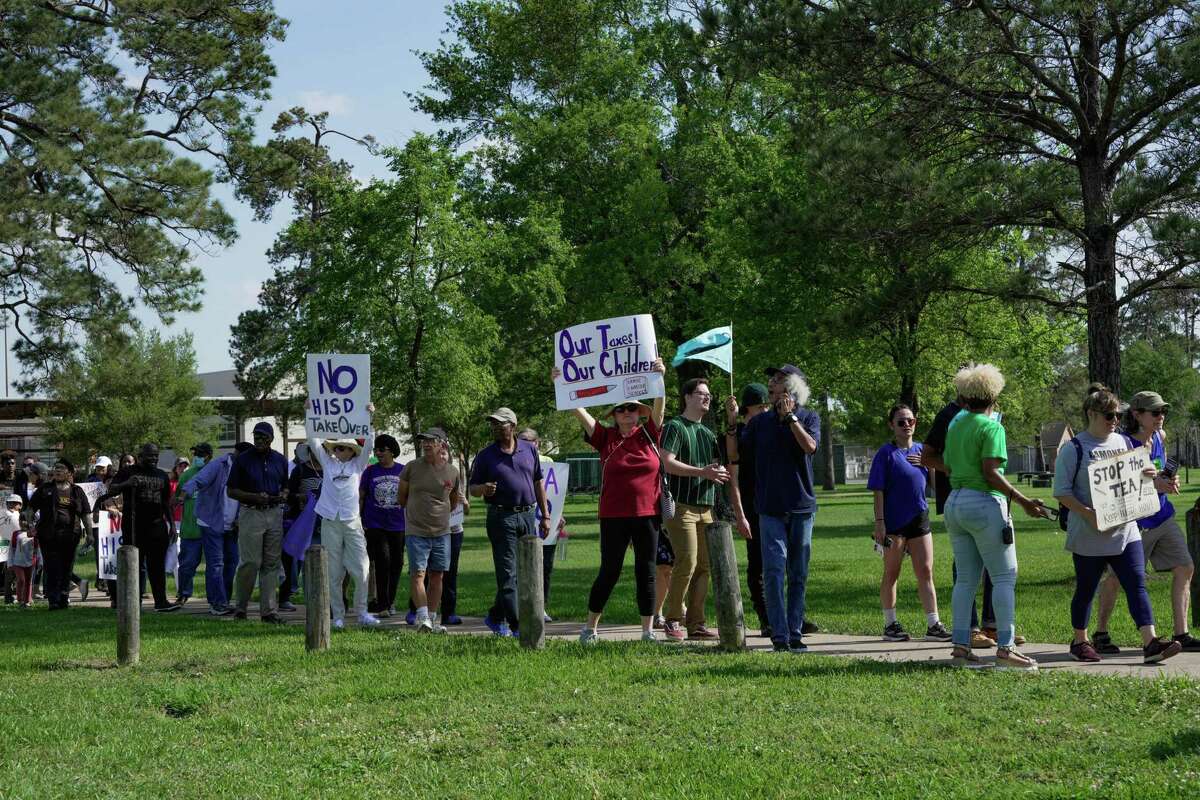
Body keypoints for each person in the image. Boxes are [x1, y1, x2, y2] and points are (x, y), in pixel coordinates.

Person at [1054, 386, 1183, 664]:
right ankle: (1080, 641)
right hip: (1090, 533)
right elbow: (1061, 492)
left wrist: (1149, 473)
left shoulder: (1123, 442)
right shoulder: (1074, 448)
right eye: (1109, 415)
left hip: (1125, 529)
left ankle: (1150, 642)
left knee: (1137, 583)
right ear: (1091, 413)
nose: (1115, 421)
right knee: (1086, 589)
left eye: (1117, 416)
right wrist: (1088, 513)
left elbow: (1136, 476)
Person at [943, 363, 1045, 670]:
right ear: (994, 394)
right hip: (985, 505)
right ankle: (1006, 648)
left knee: (965, 579)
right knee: (1003, 576)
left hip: (955, 503)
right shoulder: (992, 427)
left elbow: (948, 463)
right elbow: (991, 472)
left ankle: (960, 649)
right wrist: (1024, 501)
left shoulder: (957, 423)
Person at [564, 358, 667, 644]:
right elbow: (578, 410)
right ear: (614, 414)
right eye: (621, 409)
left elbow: (660, 406)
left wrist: (660, 378)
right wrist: (561, 383)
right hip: (613, 515)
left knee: (646, 571)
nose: (627, 413)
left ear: (639, 412)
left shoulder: (650, 433)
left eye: (632, 408)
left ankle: (647, 631)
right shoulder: (604, 437)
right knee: (609, 571)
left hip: (647, 513)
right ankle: (589, 628)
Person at [1092, 392, 1200, 653]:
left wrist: (1169, 481)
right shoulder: (1123, 443)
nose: (1160, 416)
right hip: (1135, 524)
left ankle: (1181, 634)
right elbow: (1120, 486)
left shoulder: (1161, 437)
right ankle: (1101, 633)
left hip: (1162, 517)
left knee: (1185, 567)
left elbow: (1159, 472)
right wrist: (1154, 485)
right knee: (1118, 579)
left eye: (1163, 411)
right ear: (1137, 415)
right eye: (1154, 412)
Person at [730, 365, 819, 653]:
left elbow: (810, 447)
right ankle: (779, 636)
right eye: (771, 379)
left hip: (801, 508)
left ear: (793, 387)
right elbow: (735, 455)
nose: (771, 382)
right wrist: (732, 424)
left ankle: (795, 632)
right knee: (773, 571)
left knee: (798, 573)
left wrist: (790, 418)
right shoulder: (759, 423)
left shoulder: (808, 416)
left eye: (779, 379)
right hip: (769, 509)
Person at [921, 393, 1007, 650]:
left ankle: (992, 625)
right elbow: (927, 456)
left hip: (983, 498)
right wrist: (954, 468)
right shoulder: (950, 417)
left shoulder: (988, 417)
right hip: (966, 497)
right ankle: (971, 630)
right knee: (970, 570)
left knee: (994, 566)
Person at [866, 404, 951, 642]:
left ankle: (934, 624)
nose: (906, 426)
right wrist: (880, 523)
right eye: (901, 422)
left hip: (919, 519)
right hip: (893, 522)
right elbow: (878, 491)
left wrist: (928, 465)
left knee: (925, 571)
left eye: (910, 421)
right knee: (892, 572)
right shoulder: (886, 453)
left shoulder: (923, 450)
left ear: (916, 423)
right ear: (891, 425)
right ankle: (890, 624)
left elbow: (935, 486)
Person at [470, 407, 550, 637]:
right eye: (493, 424)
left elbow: (538, 483)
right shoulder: (485, 455)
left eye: (500, 424)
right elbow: (473, 488)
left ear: (513, 426)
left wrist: (544, 516)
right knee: (507, 572)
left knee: (524, 570)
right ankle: (517, 627)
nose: (495, 428)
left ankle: (495, 615)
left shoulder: (528, 450)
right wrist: (483, 489)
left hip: (527, 515)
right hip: (500, 517)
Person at [660, 378, 730, 641]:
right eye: (701, 393)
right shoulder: (675, 427)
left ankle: (696, 623)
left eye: (709, 395)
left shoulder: (709, 434)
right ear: (687, 397)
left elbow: (716, 466)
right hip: (681, 506)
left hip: (706, 508)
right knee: (686, 561)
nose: (707, 398)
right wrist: (703, 472)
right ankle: (672, 619)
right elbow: (667, 462)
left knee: (704, 566)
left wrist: (718, 473)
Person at [308, 407, 379, 629]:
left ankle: (362, 613)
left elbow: (369, 444)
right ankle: (337, 615)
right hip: (330, 521)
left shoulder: (358, 465)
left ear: (351, 451)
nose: (339, 450)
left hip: (352, 521)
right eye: (337, 447)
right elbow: (313, 439)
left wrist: (369, 416)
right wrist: (309, 412)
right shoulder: (327, 462)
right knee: (334, 571)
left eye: (344, 447)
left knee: (362, 568)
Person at [98, 445, 179, 612]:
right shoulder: (128, 471)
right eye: (150, 456)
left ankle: (161, 601)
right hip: (134, 526)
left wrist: (170, 525)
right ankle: (133, 602)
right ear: (140, 456)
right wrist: (127, 483)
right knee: (134, 565)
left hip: (157, 525)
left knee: (157, 566)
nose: (154, 459)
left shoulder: (161, 475)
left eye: (156, 456)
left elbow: (165, 503)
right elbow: (111, 490)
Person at [227, 422, 290, 624]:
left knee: (271, 563)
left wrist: (284, 494)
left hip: (274, 514)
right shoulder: (243, 460)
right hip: (251, 512)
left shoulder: (280, 460)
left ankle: (269, 611)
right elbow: (232, 491)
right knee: (251, 562)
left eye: (263, 437)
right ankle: (241, 608)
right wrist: (254, 497)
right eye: (256, 437)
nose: (259, 441)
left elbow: (286, 486)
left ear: (271, 439)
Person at [179, 441, 251, 615]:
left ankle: (224, 600)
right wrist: (184, 493)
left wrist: (239, 518)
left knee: (232, 562)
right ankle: (216, 603)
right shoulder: (218, 465)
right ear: (237, 454)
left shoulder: (245, 469)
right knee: (216, 564)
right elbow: (197, 480)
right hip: (211, 522)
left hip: (231, 525)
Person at [399, 427, 459, 633]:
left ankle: (432, 620)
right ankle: (422, 617)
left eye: (431, 441)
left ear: (442, 444)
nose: (426, 444)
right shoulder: (411, 467)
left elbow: (453, 501)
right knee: (418, 574)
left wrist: (440, 514)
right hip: (416, 531)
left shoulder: (453, 471)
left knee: (437, 576)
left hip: (442, 532)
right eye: (423, 441)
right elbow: (401, 498)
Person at [723, 383, 771, 637]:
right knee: (758, 564)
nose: (764, 411)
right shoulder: (740, 432)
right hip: (752, 507)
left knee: (782, 563)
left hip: (775, 505)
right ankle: (765, 617)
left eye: (766, 406)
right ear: (747, 410)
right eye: (759, 407)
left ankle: (788, 614)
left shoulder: (771, 429)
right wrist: (740, 515)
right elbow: (733, 474)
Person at [516, 427, 567, 622]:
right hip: (523, 519)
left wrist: (558, 515)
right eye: (521, 440)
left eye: (529, 440)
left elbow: (555, 492)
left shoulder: (548, 463)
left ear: (537, 443)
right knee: (520, 565)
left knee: (545, 566)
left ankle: (541, 607)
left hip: (546, 522)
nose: (525, 444)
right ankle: (519, 606)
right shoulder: (514, 458)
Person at [30, 459, 91, 610]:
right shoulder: (44, 489)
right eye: (56, 468)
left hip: (71, 535)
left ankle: (64, 597)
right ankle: (53, 600)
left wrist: (90, 534)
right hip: (48, 535)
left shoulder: (77, 491)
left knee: (67, 567)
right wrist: (29, 524)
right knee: (52, 567)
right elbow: (29, 509)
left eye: (61, 468)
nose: (57, 471)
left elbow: (85, 514)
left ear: (69, 473)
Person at [362, 434, 406, 617]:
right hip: (375, 524)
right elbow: (362, 495)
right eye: (376, 449)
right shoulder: (370, 471)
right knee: (382, 561)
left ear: (391, 451)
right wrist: (359, 519)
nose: (377, 453)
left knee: (397, 563)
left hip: (398, 524)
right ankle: (382, 605)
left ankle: (390, 601)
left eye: (381, 449)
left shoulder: (403, 470)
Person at [173, 444, 209, 605]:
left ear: (209, 455)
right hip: (190, 529)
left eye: (201, 454)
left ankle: (215, 599)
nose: (198, 458)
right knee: (187, 565)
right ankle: (184, 593)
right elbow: (176, 498)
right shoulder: (187, 476)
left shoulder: (216, 473)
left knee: (215, 567)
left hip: (211, 529)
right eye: (196, 454)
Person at [6, 495, 35, 607]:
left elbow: (37, 549)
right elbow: (12, 550)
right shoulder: (16, 534)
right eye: (21, 520)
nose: (23, 523)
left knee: (28, 581)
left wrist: (39, 561)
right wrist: (10, 562)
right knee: (21, 580)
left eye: (25, 521)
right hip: (18, 562)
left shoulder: (33, 534)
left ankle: (26, 601)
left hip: (30, 562)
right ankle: (19, 598)